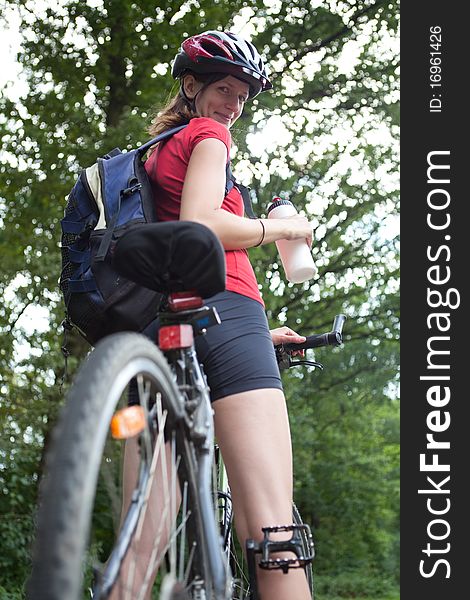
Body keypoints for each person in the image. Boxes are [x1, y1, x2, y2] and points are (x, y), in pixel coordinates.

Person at [113, 30, 314, 600]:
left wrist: (260, 334)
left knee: (141, 537)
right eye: (223, 88)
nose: (233, 104)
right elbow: (203, 225)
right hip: (228, 310)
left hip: (160, 327)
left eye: (242, 95)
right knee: (273, 527)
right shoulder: (209, 136)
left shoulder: (152, 155)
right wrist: (284, 228)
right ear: (192, 85)